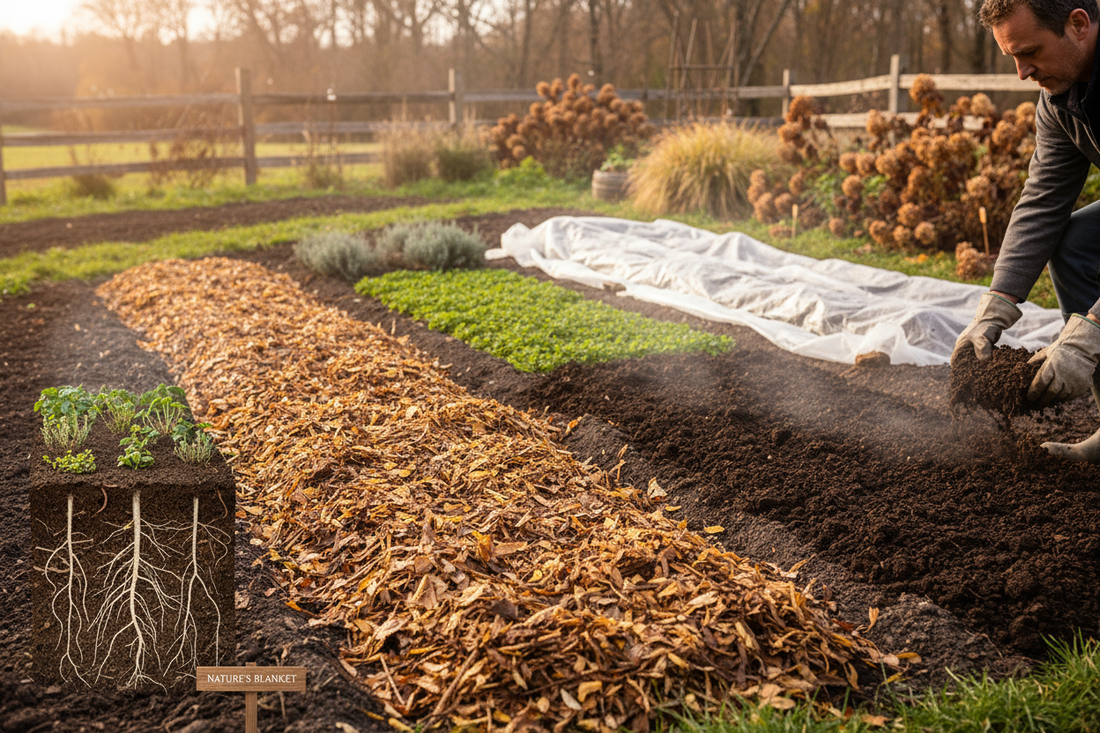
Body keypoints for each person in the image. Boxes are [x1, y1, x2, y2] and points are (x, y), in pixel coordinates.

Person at [954, 0, 1100, 461]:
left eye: (1030, 51)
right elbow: (1043, 199)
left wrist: (1093, 329)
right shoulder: (1061, 98)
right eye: (1012, 57)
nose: (1021, 72)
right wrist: (996, 305)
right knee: (1077, 243)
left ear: (1078, 24)